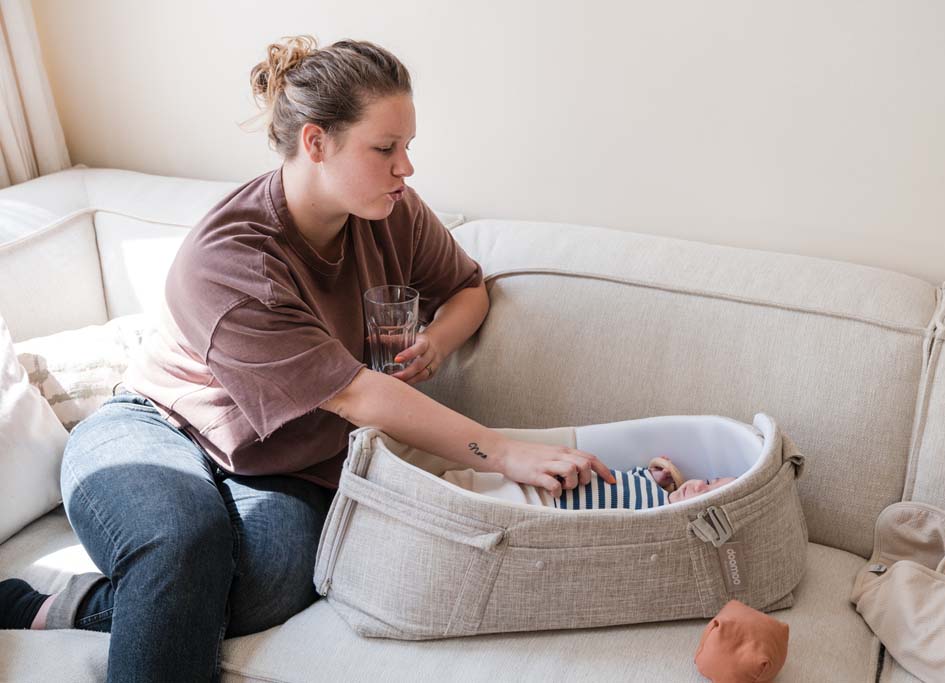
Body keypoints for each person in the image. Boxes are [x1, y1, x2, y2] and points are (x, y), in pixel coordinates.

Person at [0, 36, 615, 681]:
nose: (406, 168)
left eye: (407, 146)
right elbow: (356, 395)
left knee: (268, 587)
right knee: (185, 544)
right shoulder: (233, 261)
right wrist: (505, 451)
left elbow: (467, 288)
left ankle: (54, 609)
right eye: (385, 149)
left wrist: (436, 341)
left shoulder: (388, 212)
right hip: (156, 429)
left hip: (285, 457)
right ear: (316, 142)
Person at [443, 455, 735, 509]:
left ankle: (447, 497)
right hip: (547, 482)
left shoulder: (659, 519)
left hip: (549, 507)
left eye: (707, 495)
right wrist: (655, 476)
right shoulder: (654, 490)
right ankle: (446, 485)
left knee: (486, 504)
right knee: (484, 482)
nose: (699, 486)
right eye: (709, 481)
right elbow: (622, 477)